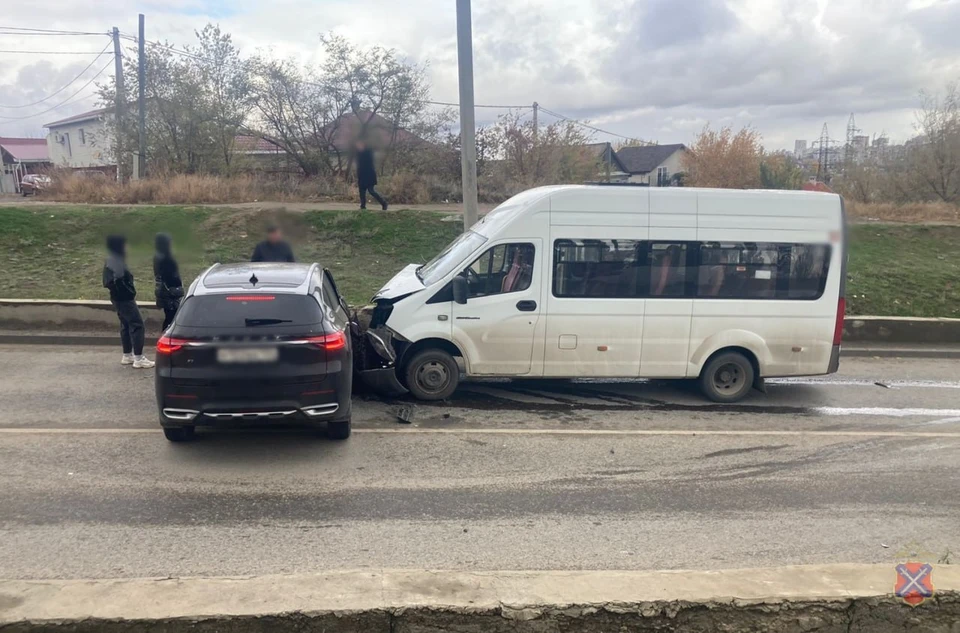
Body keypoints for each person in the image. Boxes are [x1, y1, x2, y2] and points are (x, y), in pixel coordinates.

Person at [102, 235, 154, 368]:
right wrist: (129, 291)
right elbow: (118, 280)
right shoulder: (117, 260)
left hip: (117, 298)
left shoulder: (111, 259)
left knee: (126, 324)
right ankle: (138, 358)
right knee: (137, 325)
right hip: (124, 298)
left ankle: (127, 355)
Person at [153, 233, 184, 331]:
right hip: (170, 292)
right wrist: (179, 287)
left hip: (163, 291)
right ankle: (166, 339)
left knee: (169, 317)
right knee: (172, 319)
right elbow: (172, 277)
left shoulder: (157, 256)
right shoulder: (167, 258)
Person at [355, 140, 388, 211]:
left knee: (371, 191)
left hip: (369, 176)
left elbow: (367, 165)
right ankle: (363, 206)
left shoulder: (368, 153)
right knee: (362, 192)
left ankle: (383, 203)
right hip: (362, 176)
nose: (358, 147)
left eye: (360, 145)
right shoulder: (359, 154)